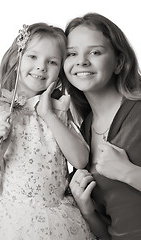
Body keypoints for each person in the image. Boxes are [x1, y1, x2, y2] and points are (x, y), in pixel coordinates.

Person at [0, 23, 96, 239]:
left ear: (60, 71)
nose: (41, 66)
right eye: (33, 57)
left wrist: (49, 115)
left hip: (57, 217)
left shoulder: (58, 110)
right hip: (10, 221)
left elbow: (80, 160)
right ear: (16, 59)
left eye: (52, 62)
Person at [63, 12, 141, 240]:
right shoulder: (81, 134)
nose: (82, 61)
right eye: (72, 54)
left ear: (119, 62)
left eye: (95, 52)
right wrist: (87, 210)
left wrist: (128, 172)